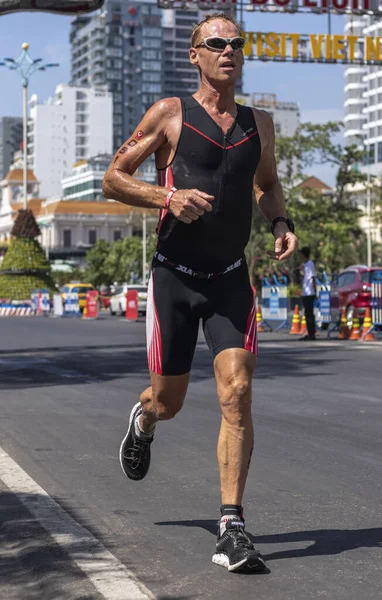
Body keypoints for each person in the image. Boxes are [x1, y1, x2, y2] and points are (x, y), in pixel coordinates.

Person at [102, 12, 298, 572]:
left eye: (237, 42)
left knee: (237, 392)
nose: (228, 50)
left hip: (230, 279)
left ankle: (231, 525)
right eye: (216, 43)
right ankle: (143, 421)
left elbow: (268, 184)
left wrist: (281, 223)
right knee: (171, 401)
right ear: (196, 55)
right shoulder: (170, 114)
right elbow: (114, 177)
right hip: (174, 280)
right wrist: (168, 198)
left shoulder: (259, 123)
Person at [300, 247, 317, 341]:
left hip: (310, 292)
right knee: (307, 313)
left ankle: (312, 333)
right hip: (306, 292)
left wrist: (315, 291)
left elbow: (313, 278)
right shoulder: (307, 264)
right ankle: (309, 332)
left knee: (309, 314)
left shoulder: (310, 264)